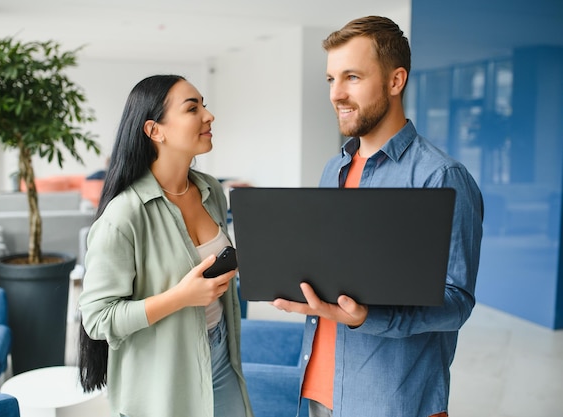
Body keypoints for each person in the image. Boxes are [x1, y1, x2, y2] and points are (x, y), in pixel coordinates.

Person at [272, 16, 483, 417]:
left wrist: (369, 316)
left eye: (352, 77)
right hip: (318, 390)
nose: (336, 94)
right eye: (331, 79)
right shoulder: (333, 168)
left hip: (391, 402)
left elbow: (457, 302)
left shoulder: (441, 177)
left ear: (395, 80)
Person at [78, 74, 254, 417]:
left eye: (204, 104)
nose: (208, 115)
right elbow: (97, 318)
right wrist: (180, 298)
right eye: (193, 108)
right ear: (154, 130)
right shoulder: (123, 216)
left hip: (221, 353)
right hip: (161, 376)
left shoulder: (211, 190)